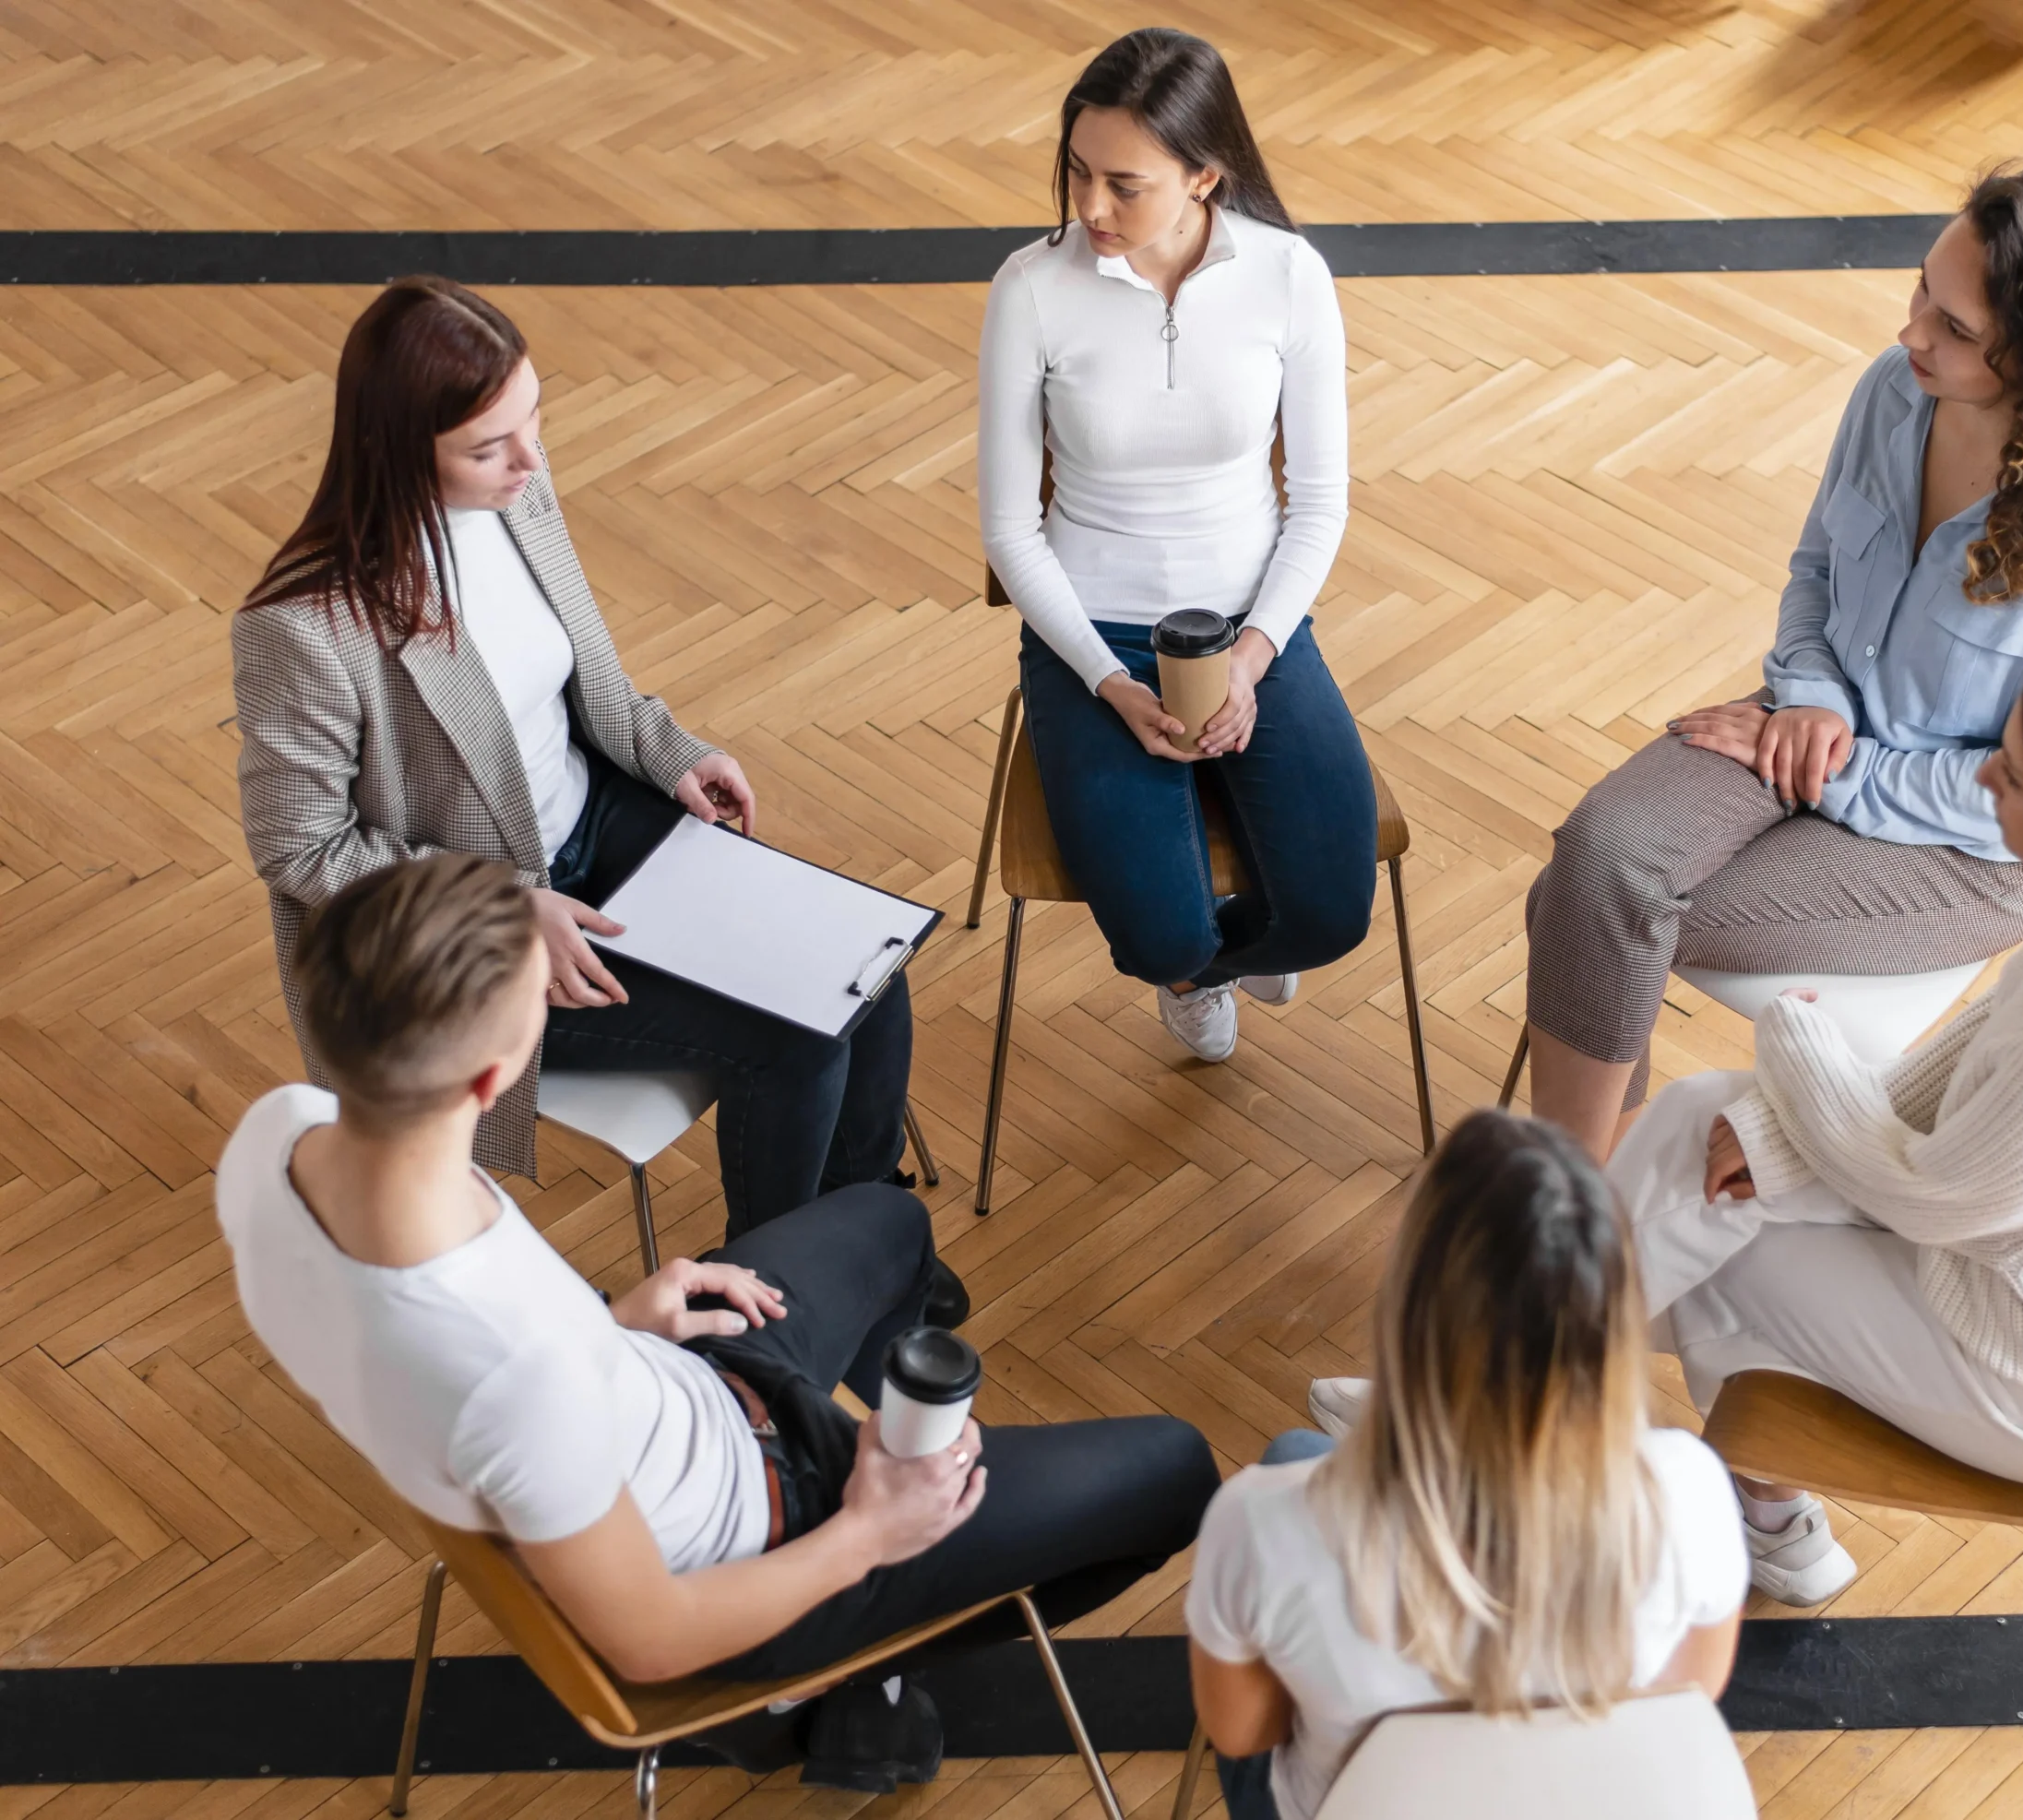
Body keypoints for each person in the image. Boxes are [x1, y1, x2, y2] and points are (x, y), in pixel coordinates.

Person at [213, 853, 1220, 1790]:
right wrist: (872, 1530)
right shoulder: (516, 1376)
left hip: (669, 1384)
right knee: (1177, 1473)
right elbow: (652, 1639)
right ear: (490, 1081)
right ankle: (843, 1666)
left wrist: (617, 1327)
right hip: (768, 1539)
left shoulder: (280, 1129)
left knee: (891, 1222)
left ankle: (905, 1534)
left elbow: (473, 1356)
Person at [233, 278, 958, 1316]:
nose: (531, 461)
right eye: (491, 446)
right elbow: (300, 849)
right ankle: (768, 1313)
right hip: (465, 934)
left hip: (602, 824)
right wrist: (502, 906)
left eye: (533, 420)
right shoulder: (302, 627)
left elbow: (585, 673)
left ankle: (865, 1243)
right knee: (798, 1040)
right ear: (395, 450)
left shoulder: (516, 491)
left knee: (865, 966)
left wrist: (669, 750)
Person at [1521, 164, 2023, 1160]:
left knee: (1591, 902)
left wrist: (1835, 765)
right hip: (1809, 723)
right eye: (1922, 289)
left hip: (1974, 838)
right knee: (1599, 863)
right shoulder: (1894, 390)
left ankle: (1569, 1200)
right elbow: (1816, 571)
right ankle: (1580, 1193)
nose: (1910, 332)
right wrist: (1811, 696)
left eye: (1953, 327)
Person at [1604, 645, 2023, 1605]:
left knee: (1718, 1233)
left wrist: (1796, 1034)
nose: (1983, 777)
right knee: (1703, 1120)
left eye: (2014, 776)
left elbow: (1922, 1191)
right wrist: (1784, 1128)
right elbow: (1997, 1040)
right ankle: (1512, 1399)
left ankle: (1526, 1431)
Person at [979, 28, 1374, 1065]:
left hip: (1249, 623)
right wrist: (1110, 683)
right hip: (1092, 631)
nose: (1089, 207)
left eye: (1124, 184)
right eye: (1077, 171)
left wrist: (1254, 655)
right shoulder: (1030, 289)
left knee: (1331, 917)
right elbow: (1010, 530)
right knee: (1157, 939)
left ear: (1205, 175)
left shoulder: (1288, 275)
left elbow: (1318, 503)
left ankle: (1223, 955)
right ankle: (1195, 971)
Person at [1186, 1111, 1747, 1820]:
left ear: (1411, 1309)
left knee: (1293, 1456)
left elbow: (1244, 1731)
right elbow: (1688, 1694)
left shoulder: (1262, 1522)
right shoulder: (1691, 1491)